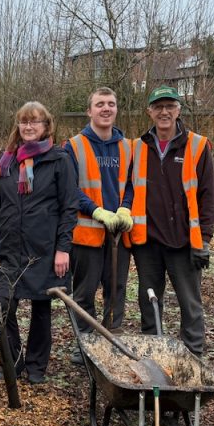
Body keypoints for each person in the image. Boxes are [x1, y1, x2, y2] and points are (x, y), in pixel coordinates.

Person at [0, 102, 77, 384]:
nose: (28, 127)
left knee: (41, 309)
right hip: (10, 248)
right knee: (4, 305)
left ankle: (37, 367)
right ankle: (11, 363)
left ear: (46, 126)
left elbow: (69, 207)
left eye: (35, 122)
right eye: (24, 122)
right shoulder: (6, 161)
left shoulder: (59, 160)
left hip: (43, 249)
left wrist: (63, 248)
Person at [129, 84, 214, 356]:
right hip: (148, 243)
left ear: (179, 110)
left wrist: (204, 239)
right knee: (150, 303)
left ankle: (192, 357)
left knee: (190, 304)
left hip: (184, 243)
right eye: (158, 107)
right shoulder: (137, 147)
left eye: (170, 106)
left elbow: (208, 197)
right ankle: (154, 355)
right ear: (149, 112)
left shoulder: (197, 146)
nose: (164, 112)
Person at [63, 86, 134, 364]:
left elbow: (132, 184)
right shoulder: (73, 146)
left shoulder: (127, 147)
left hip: (117, 233)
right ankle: (85, 344)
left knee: (116, 289)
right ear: (89, 110)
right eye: (100, 104)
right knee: (84, 293)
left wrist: (125, 207)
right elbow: (70, 189)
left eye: (111, 104)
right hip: (87, 234)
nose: (106, 109)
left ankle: (112, 340)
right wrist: (96, 211)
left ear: (117, 109)